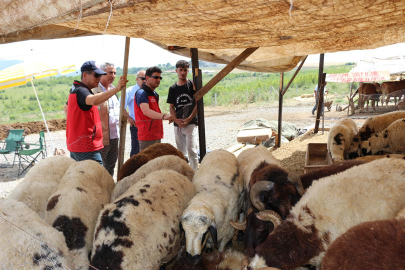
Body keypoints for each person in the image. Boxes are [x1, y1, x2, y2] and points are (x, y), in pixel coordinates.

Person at [66, 60, 127, 164]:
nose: (99, 78)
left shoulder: (78, 89)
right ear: (85, 74)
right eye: (96, 75)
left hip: (82, 144)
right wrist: (117, 89)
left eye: (100, 75)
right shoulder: (81, 90)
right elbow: (93, 100)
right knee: (96, 177)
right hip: (86, 146)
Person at [93, 62, 130, 176]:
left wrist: (128, 117)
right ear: (102, 73)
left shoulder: (115, 91)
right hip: (102, 137)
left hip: (114, 135)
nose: (113, 75)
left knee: (111, 165)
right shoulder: (95, 91)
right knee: (100, 167)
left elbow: (118, 109)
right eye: (110, 72)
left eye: (114, 73)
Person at [167, 60, 198, 170]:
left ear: (188, 71)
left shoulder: (191, 86)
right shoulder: (173, 88)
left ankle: (194, 172)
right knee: (181, 152)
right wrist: (176, 120)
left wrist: (190, 118)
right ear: (176, 71)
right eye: (181, 70)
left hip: (190, 122)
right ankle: (184, 171)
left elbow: (197, 103)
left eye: (185, 70)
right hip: (178, 123)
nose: (183, 72)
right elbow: (171, 106)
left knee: (192, 150)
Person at [134, 66, 175, 151]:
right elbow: (146, 111)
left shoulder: (154, 94)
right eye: (156, 77)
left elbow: (154, 111)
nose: (158, 79)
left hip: (156, 133)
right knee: (147, 161)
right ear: (147, 78)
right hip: (146, 134)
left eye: (160, 77)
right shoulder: (141, 93)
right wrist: (164, 116)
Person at [123, 70, 145, 157]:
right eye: (142, 78)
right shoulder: (129, 91)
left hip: (146, 125)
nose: (144, 80)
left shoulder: (148, 91)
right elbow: (121, 107)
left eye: (146, 78)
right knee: (136, 150)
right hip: (136, 125)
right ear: (137, 79)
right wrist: (129, 118)